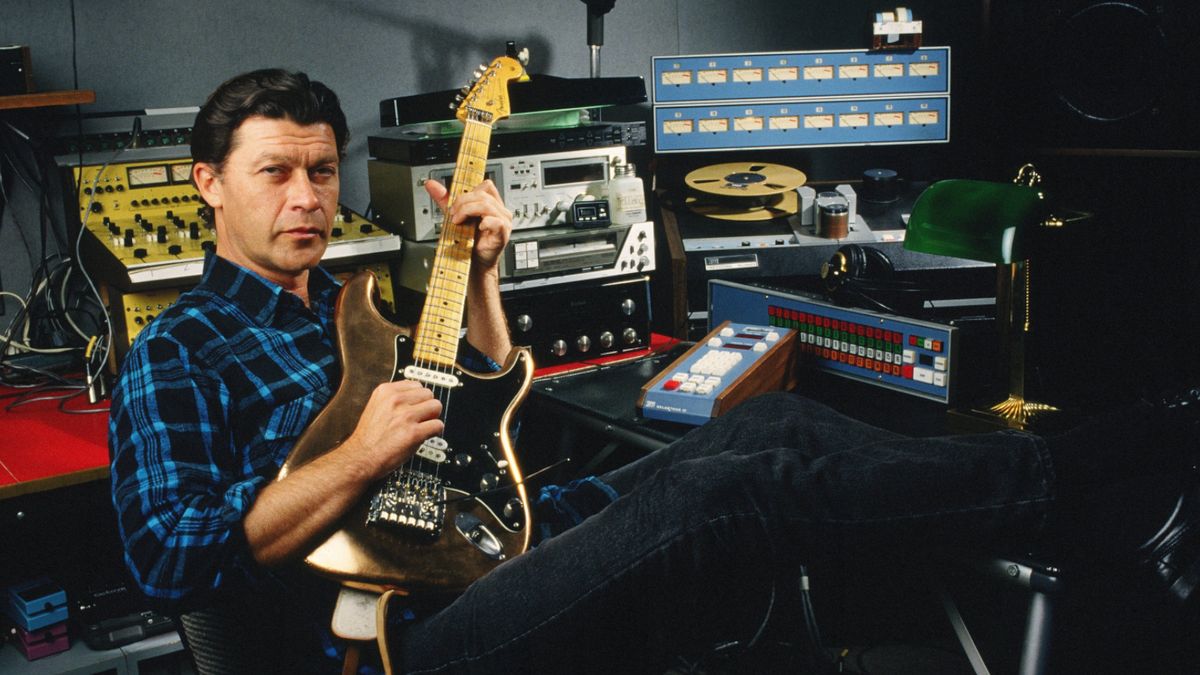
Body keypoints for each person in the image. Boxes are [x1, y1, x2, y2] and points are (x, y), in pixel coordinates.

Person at [109, 69, 1200, 675]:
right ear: (208, 184)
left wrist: (483, 280)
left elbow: (496, 442)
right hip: (399, 639)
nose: (304, 197)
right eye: (273, 174)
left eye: (319, 170)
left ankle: (1059, 499)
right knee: (729, 490)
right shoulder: (176, 354)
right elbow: (172, 562)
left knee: (755, 434)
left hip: (488, 548)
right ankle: (1094, 483)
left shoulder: (348, 316)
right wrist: (355, 459)